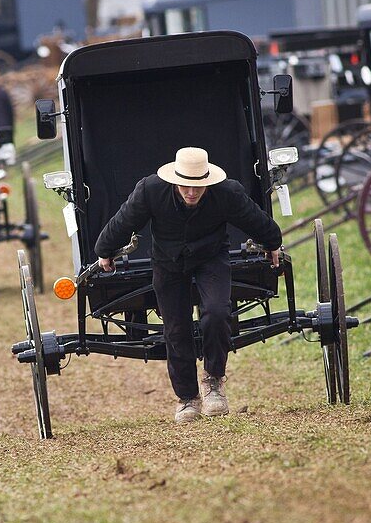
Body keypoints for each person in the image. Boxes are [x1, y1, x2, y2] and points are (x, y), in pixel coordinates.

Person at [93, 147, 282, 424]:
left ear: (208, 181)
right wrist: (104, 251)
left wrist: (272, 244)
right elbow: (123, 221)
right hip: (168, 262)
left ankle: (214, 382)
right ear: (174, 179)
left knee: (217, 312)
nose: (191, 192)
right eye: (185, 185)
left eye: (198, 186)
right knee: (176, 326)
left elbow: (256, 221)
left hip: (211, 257)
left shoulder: (227, 192)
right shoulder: (150, 190)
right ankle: (187, 399)